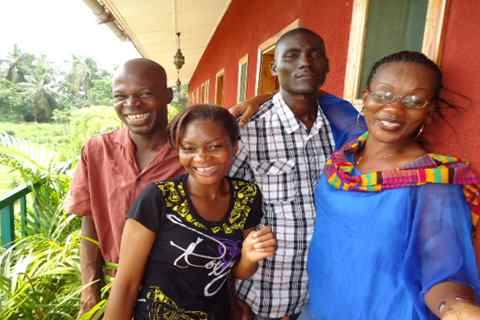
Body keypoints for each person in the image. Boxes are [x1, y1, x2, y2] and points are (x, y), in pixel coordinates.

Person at [301, 51, 480, 320]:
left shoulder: (432, 183)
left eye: (414, 101)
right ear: (366, 97)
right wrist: (260, 99)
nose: (393, 109)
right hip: (323, 306)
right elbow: (310, 91)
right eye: (383, 95)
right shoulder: (349, 146)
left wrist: (453, 306)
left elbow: (442, 269)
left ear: (428, 112)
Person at [230, 27, 366, 319]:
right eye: (291, 55)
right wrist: (228, 289)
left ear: (327, 66)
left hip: (321, 299)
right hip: (263, 301)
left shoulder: (341, 129)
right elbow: (222, 215)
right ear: (274, 67)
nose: (304, 62)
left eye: (314, 54)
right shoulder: (248, 133)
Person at [103, 104, 277, 319]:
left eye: (214, 146)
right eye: (188, 148)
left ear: (235, 147)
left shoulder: (246, 196)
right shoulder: (159, 198)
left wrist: (250, 257)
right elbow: (126, 284)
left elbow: (236, 272)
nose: (201, 157)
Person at [65, 58, 184, 315]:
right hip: (115, 285)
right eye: (121, 96)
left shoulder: (190, 153)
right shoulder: (98, 151)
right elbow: (90, 222)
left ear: (168, 96)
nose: (132, 105)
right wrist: (90, 287)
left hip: (176, 291)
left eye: (145, 94)